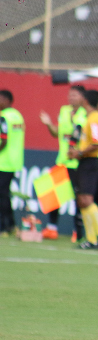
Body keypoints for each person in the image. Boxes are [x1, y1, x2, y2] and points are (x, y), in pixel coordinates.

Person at [39, 85, 86, 241]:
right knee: (55, 196)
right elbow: (57, 133)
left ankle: (76, 231)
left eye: (75, 95)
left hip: (77, 163)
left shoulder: (85, 113)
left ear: (82, 97)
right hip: (62, 160)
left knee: (77, 198)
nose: (71, 98)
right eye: (70, 95)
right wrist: (48, 123)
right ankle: (52, 228)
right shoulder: (64, 110)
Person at [68, 89, 98, 250]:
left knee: (87, 200)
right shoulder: (89, 117)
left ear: (85, 101)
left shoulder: (94, 118)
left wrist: (79, 152)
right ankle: (91, 238)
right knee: (82, 200)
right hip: (84, 161)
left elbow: (97, 143)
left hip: (90, 162)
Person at [0, 90, 24, 237]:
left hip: (3, 161)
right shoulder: (18, 116)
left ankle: (4, 227)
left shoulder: (3, 117)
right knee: (4, 195)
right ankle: (11, 225)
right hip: (14, 160)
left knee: (2, 196)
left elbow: (4, 140)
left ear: (7, 100)